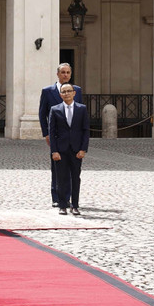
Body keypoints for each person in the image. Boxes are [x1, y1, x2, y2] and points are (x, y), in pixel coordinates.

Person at [39, 63, 83, 208]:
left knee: (72, 168)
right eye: (63, 72)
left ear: (71, 74)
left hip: (73, 138)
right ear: (57, 74)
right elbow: (42, 113)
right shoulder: (47, 91)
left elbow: (80, 114)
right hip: (56, 136)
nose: (65, 75)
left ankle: (68, 198)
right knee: (57, 166)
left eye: (68, 72)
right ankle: (56, 196)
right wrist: (46, 133)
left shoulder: (77, 90)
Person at [49, 84, 89, 216]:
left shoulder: (82, 109)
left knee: (75, 178)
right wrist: (54, 151)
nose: (66, 94)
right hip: (61, 150)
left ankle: (75, 205)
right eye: (63, 92)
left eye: (69, 91)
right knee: (61, 178)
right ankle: (62, 205)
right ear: (60, 95)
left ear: (74, 93)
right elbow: (52, 132)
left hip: (76, 150)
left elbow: (85, 131)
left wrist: (83, 149)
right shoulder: (55, 109)